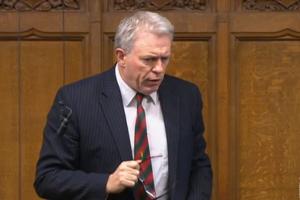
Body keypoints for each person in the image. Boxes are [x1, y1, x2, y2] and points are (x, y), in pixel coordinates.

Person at [34, 11, 212, 200]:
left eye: (164, 58)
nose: (159, 69)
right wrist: (106, 183)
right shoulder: (75, 100)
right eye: (149, 59)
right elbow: (48, 178)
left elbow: (198, 164)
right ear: (121, 57)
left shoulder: (185, 96)